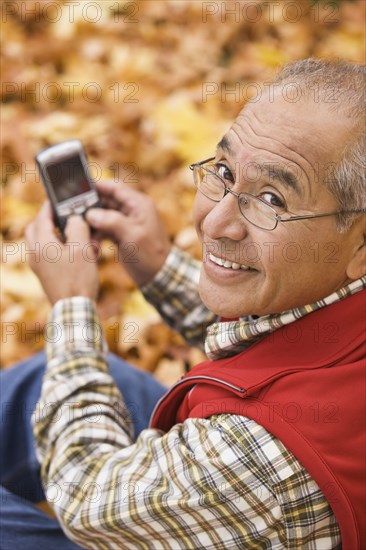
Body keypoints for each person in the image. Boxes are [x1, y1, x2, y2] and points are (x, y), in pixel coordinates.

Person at [1, 58, 365, 549]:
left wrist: (71, 304)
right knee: (44, 381)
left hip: (228, 487)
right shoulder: (341, 289)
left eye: (273, 200)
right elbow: (282, 345)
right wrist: (154, 264)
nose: (215, 222)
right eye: (225, 171)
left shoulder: (261, 459)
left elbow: (86, 499)